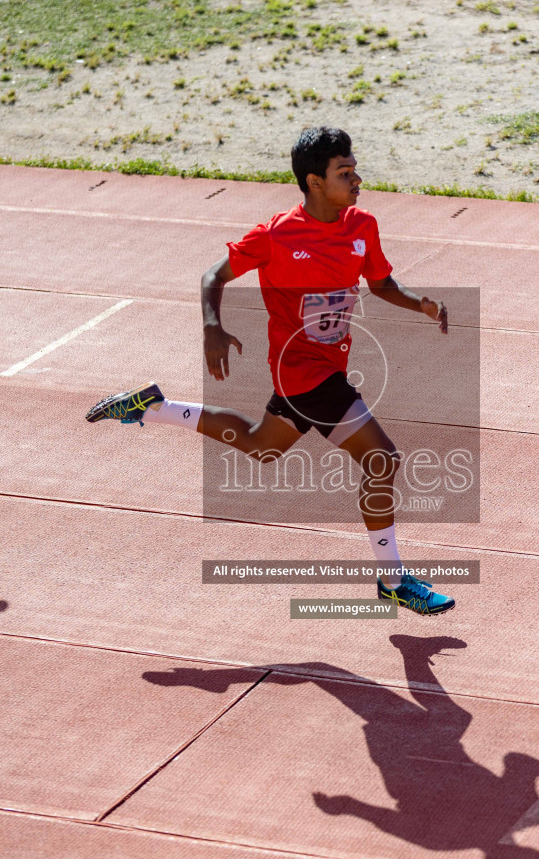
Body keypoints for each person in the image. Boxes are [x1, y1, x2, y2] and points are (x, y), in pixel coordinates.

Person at [86, 125, 454, 615]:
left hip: (326, 366)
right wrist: (212, 327)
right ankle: (393, 580)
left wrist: (420, 305)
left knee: (262, 447)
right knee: (381, 459)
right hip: (302, 370)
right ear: (314, 181)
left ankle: (152, 407)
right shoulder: (278, 235)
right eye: (345, 172)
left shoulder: (361, 224)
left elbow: (381, 282)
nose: (357, 178)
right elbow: (213, 275)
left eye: (354, 169)